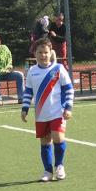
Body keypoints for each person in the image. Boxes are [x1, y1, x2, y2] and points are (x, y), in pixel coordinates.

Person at [21, 38, 74, 182]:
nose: (43, 55)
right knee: (45, 142)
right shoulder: (32, 71)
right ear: (35, 54)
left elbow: (69, 89)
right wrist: (25, 108)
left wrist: (68, 107)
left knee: (58, 137)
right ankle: (48, 171)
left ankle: (59, 166)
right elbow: (28, 92)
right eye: (40, 52)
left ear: (51, 53)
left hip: (58, 111)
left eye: (45, 52)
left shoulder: (58, 69)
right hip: (41, 114)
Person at [0, 35, 25, 106]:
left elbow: (9, 59)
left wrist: (8, 67)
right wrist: (3, 71)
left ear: (0, 42)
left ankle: (21, 98)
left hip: (8, 73)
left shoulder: (5, 48)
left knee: (20, 75)